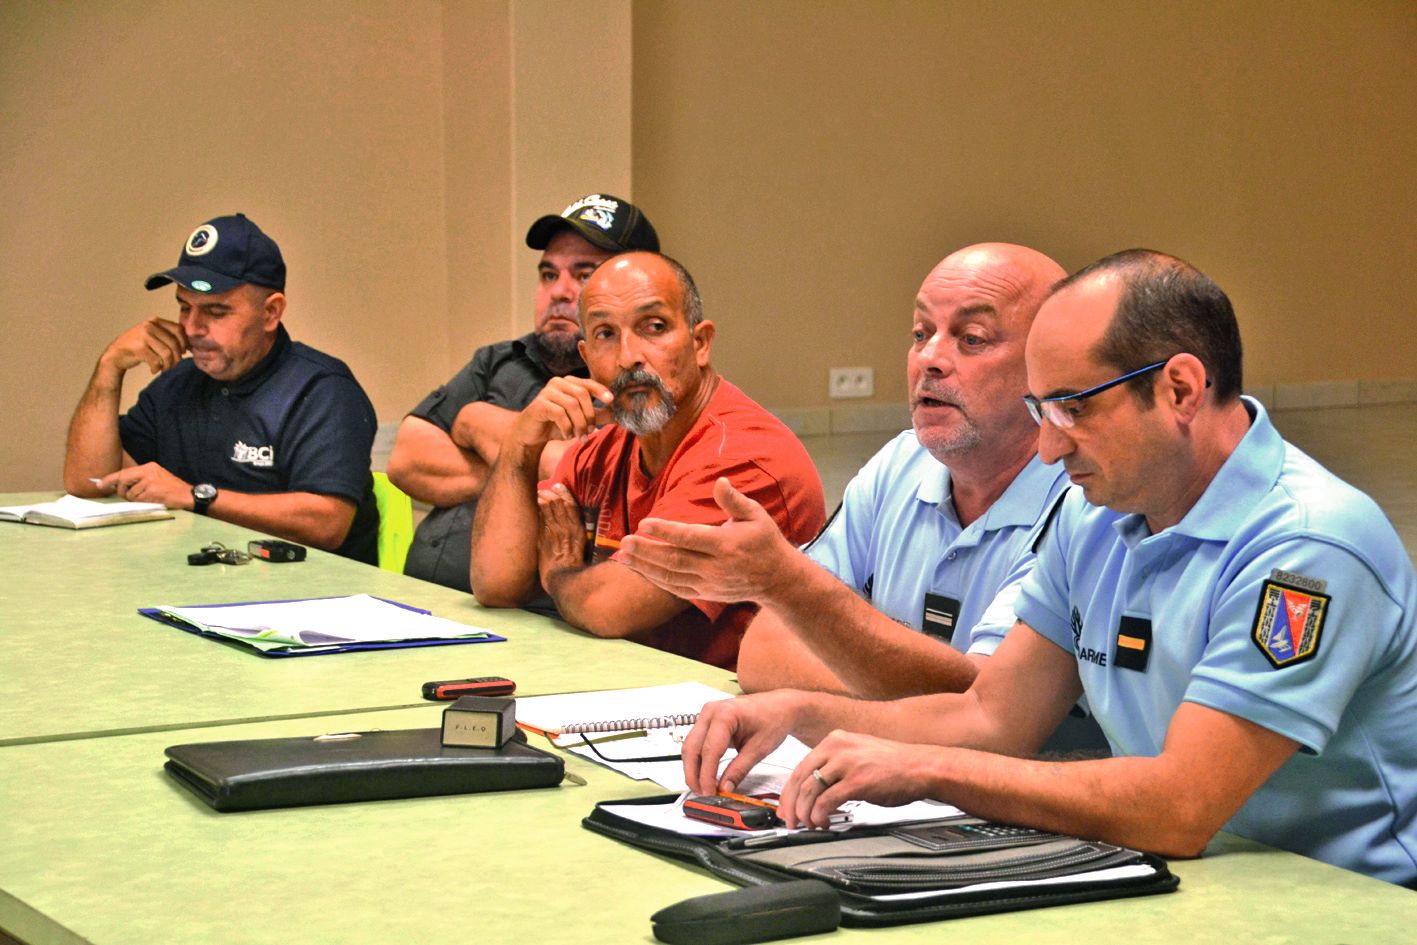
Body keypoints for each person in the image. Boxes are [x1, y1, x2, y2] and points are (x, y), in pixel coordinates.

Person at [681, 250, 1417, 886]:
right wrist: (801, 718)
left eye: (1070, 408)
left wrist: (925, 767)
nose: (1047, 450)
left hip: (1337, 898)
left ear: (1180, 390)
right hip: (1178, 878)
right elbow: (991, 714)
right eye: (1040, 410)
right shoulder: (1093, 513)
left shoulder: (1308, 548)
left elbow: (1181, 805)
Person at [619, 243, 1073, 700]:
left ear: (1049, 364)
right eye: (920, 333)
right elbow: (763, 653)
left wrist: (793, 589)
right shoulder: (902, 462)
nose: (929, 359)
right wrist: (894, 675)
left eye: (972, 338)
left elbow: (992, 707)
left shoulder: (1081, 499)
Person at [470, 251, 826, 669]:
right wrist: (521, 445)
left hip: (733, 712)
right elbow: (495, 583)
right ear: (585, 358)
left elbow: (610, 606)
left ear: (700, 343)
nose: (628, 357)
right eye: (605, 334)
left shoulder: (743, 457)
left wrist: (557, 574)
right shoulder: (607, 447)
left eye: (653, 327)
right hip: (632, 692)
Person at [63, 213, 380, 563]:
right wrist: (110, 368)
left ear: (271, 313)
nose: (193, 328)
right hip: (191, 587)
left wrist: (196, 496)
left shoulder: (322, 390)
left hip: (309, 602)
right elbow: (89, 482)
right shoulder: (176, 384)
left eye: (215, 312)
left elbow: (327, 522)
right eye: (185, 308)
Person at [387, 194, 660, 591]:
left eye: (583, 275)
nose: (559, 293)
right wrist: (519, 475)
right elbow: (407, 459)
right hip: (425, 597)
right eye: (549, 274)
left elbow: (589, 483)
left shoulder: (636, 381)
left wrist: (477, 421)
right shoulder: (500, 360)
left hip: (533, 617)